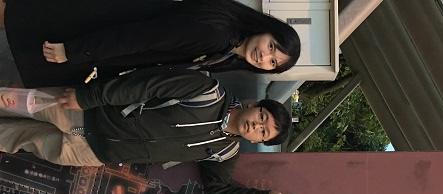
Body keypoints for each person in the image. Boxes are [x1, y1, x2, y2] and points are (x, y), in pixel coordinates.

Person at [0, 66, 299, 194]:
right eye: (262, 117)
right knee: (13, 103)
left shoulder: (224, 151)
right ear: (255, 106)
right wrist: (88, 97)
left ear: (258, 140)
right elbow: (145, 86)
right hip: (87, 112)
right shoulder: (207, 91)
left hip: (93, 152)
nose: (256, 126)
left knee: (15, 139)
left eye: (263, 132)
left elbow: (218, 192)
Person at [1, 0, 301, 87]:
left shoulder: (225, 47)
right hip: (89, 34)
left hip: (98, 25)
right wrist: (75, 51)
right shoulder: (216, 35)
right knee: (14, 25)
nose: (265, 56)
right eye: (272, 46)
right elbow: (141, 38)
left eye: (273, 63)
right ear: (267, 29)